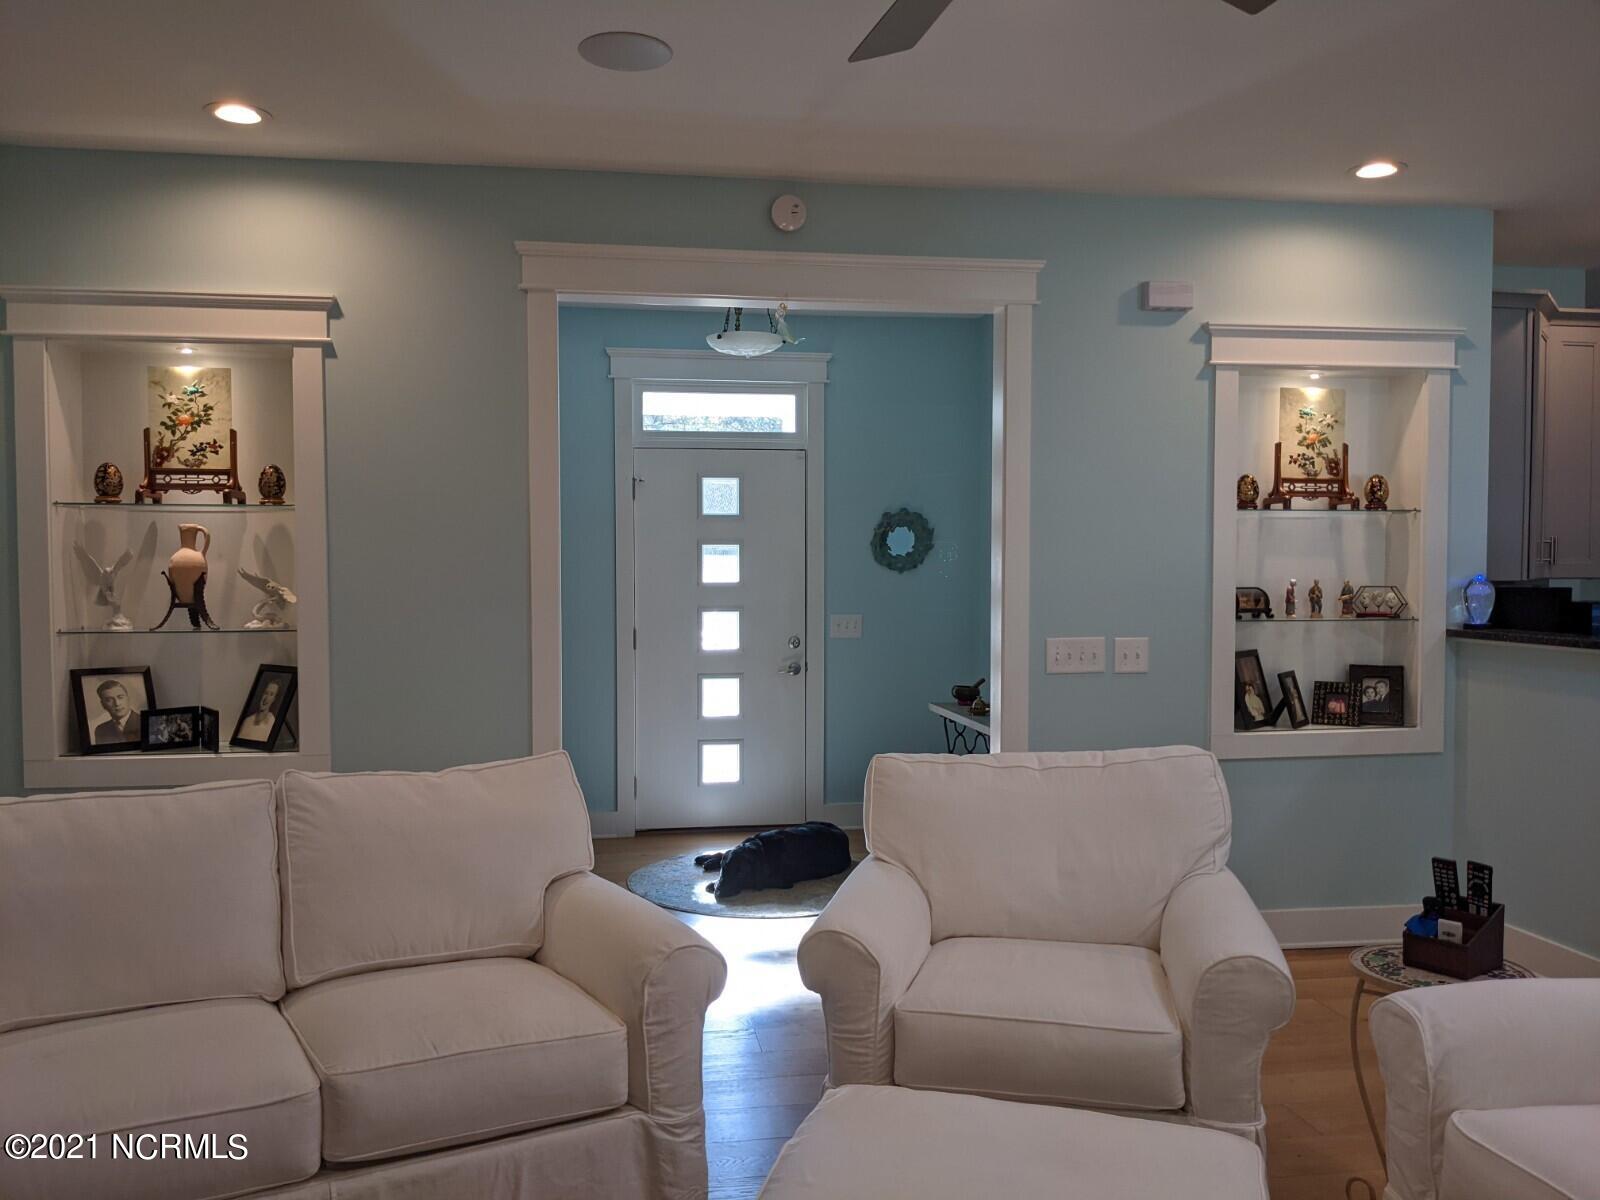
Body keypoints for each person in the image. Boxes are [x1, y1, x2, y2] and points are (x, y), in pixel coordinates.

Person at [91, 678, 139, 745]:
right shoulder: (101, 730)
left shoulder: (145, 722)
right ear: (103, 705)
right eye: (109, 700)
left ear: (128, 698)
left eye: (120, 697)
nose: (117, 703)